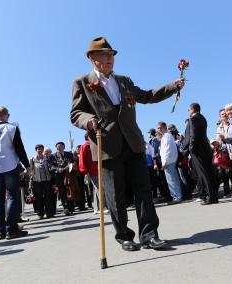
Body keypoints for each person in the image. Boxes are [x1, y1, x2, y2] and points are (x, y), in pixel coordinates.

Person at [70, 36, 184, 251]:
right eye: (104, 55)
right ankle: (124, 236)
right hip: (106, 146)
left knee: (144, 190)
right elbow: (76, 113)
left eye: (111, 55)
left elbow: (147, 96)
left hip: (133, 144)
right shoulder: (82, 83)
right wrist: (89, 121)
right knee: (115, 195)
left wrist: (172, 87)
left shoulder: (124, 81)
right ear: (93, 59)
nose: (109, 59)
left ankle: (149, 235)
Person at [0, 106, 29, 240]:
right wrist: (27, 165)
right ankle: (11, 229)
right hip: (10, 165)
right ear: (7, 115)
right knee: (12, 197)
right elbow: (20, 148)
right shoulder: (11, 128)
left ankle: (1, 231)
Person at [182, 103, 218, 205]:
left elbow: (193, 135)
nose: (188, 111)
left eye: (188, 110)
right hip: (205, 149)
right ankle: (212, 196)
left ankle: (211, 197)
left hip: (197, 150)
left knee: (203, 174)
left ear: (192, 109)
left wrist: (191, 148)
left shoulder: (193, 119)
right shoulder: (203, 118)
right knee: (208, 173)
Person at [157, 121, 183, 204]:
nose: (159, 129)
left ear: (165, 127)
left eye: (160, 127)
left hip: (168, 161)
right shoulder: (166, 136)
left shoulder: (167, 136)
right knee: (173, 178)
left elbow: (167, 150)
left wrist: (164, 163)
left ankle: (176, 197)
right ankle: (178, 196)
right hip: (170, 160)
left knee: (171, 180)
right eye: (158, 128)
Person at [48, 142, 75, 215]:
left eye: (60, 146)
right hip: (58, 176)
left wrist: (65, 168)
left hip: (68, 175)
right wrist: (57, 169)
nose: (59, 148)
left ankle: (71, 208)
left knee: (69, 190)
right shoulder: (52, 156)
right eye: (57, 147)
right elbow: (51, 166)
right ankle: (65, 208)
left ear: (64, 147)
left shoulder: (69, 154)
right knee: (62, 192)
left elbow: (72, 163)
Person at [29, 144, 54, 219]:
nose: (39, 150)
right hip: (37, 181)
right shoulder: (32, 159)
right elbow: (30, 170)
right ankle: (40, 214)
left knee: (48, 197)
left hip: (47, 181)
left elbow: (51, 167)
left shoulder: (47, 158)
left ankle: (49, 213)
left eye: (41, 149)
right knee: (38, 198)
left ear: (43, 150)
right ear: (36, 150)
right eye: (38, 149)